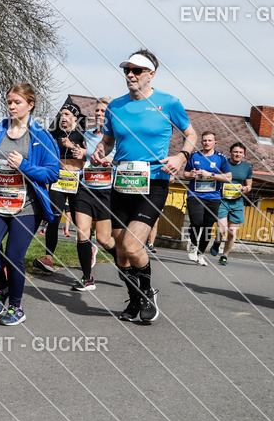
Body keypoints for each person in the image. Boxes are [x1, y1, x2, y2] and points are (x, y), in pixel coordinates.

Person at [92, 49, 197, 324]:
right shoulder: (116, 106)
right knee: (120, 250)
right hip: (122, 183)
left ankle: (148, 292)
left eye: (136, 70)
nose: (130, 74)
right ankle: (135, 297)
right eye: (127, 69)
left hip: (153, 183)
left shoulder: (169, 103)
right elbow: (108, 140)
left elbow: (191, 135)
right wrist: (99, 151)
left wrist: (180, 156)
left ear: (151, 74)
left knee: (133, 246)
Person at [0, 83, 60, 325]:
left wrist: (24, 166)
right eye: (10, 102)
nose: (12, 106)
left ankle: (16, 306)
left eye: (18, 102)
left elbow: (52, 174)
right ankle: (2, 287)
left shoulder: (41, 136)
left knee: (13, 257)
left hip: (27, 207)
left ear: (30, 104)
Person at [70, 97, 119, 291]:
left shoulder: (117, 136)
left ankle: (123, 262)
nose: (99, 114)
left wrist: (108, 159)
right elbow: (88, 158)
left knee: (104, 239)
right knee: (82, 233)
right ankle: (87, 278)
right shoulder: (88, 135)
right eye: (97, 111)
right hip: (86, 188)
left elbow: (121, 157)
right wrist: (82, 155)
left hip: (107, 191)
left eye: (103, 111)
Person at [34, 99, 86, 273]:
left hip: (77, 183)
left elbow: (90, 158)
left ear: (75, 118)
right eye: (62, 114)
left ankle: (88, 251)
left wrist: (75, 148)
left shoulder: (82, 135)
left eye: (67, 114)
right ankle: (49, 259)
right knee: (53, 218)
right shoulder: (56, 136)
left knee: (80, 222)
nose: (63, 117)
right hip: (58, 182)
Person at [184, 131, 232, 266]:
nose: (207, 143)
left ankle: (200, 253)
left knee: (207, 227)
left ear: (215, 142)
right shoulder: (194, 156)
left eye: (210, 140)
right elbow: (185, 174)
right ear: (202, 142)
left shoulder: (221, 158)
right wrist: (191, 174)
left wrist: (210, 174)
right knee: (197, 222)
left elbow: (228, 177)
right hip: (195, 194)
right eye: (204, 140)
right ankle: (193, 246)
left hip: (213, 197)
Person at [213, 141, 253, 265]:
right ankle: (217, 242)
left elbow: (249, 185)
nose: (237, 154)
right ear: (230, 152)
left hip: (237, 202)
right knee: (222, 229)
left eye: (240, 152)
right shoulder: (223, 164)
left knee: (232, 232)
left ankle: (224, 255)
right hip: (222, 200)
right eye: (235, 152)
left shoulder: (247, 167)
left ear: (244, 154)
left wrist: (246, 189)